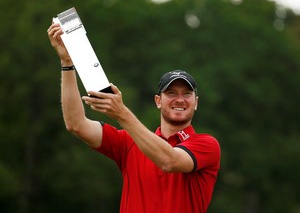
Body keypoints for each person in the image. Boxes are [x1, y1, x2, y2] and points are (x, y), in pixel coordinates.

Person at [47, 22, 221, 213]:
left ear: (195, 102)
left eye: (186, 94)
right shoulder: (128, 142)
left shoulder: (206, 145)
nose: (179, 99)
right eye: (171, 93)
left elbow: (169, 161)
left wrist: (121, 113)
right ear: (158, 101)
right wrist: (67, 63)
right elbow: (76, 124)